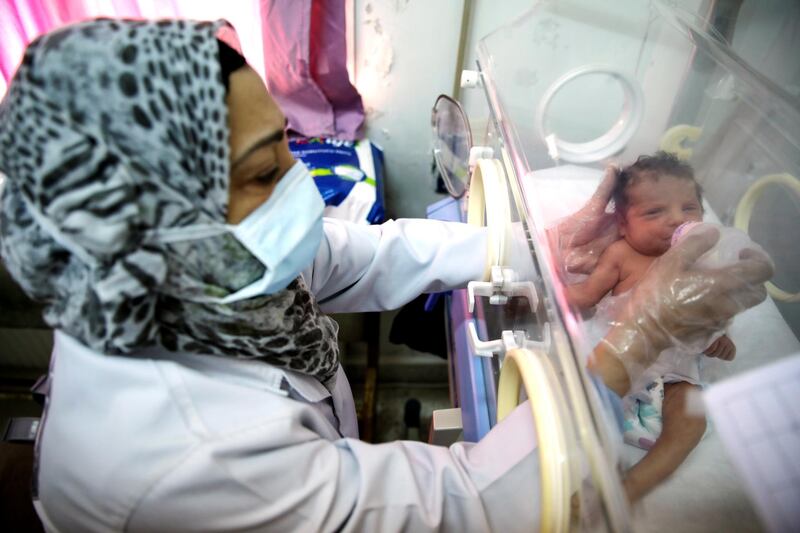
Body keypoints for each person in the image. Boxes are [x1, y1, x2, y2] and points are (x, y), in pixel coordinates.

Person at [0, 19, 772, 532]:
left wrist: (538, 241)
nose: (299, 186)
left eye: (286, 149)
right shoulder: (186, 456)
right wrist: (642, 336)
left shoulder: (176, 273)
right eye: (267, 169)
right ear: (155, 221)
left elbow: (356, 255)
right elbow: (471, 506)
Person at [565, 153, 739, 502]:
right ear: (624, 225)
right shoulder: (621, 255)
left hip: (678, 369)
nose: (675, 221)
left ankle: (632, 486)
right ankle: (575, 468)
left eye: (689, 209)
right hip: (621, 354)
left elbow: (715, 326)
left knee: (693, 418)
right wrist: (544, 289)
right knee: (584, 398)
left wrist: (720, 342)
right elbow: (584, 296)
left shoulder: (704, 266)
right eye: (654, 213)